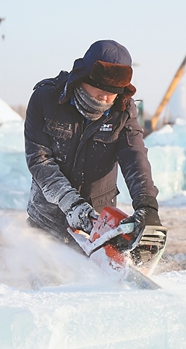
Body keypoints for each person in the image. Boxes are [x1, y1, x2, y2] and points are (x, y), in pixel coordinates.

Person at [24, 40, 160, 251]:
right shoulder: (46, 99)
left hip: (97, 224)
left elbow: (134, 155)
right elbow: (39, 160)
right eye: (99, 89)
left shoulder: (122, 110)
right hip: (47, 218)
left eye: (113, 91)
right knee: (45, 281)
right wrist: (73, 205)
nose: (105, 98)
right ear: (83, 77)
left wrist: (146, 204)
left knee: (90, 283)